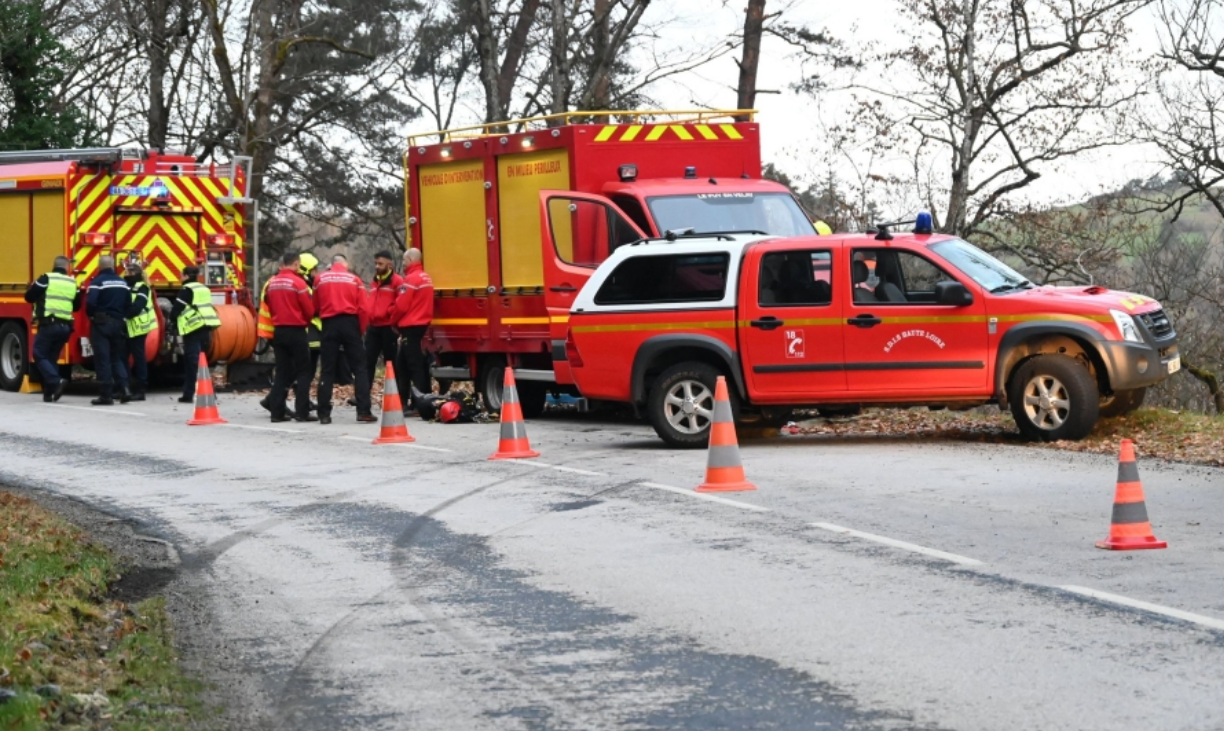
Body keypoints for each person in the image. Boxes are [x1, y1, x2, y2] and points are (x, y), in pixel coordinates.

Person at [313, 254, 375, 424]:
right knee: (359, 369)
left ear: (332, 264)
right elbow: (364, 309)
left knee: (327, 370)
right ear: (345, 264)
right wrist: (360, 329)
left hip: (329, 323)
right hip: (350, 323)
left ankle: (324, 413)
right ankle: (363, 411)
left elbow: (315, 306)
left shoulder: (320, 279)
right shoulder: (355, 280)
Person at [264, 252, 318, 423]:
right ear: (295, 264)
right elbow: (309, 310)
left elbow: (269, 305)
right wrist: (304, 322)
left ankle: (277, 413)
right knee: (303, 371)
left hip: (279, 331)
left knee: (282, 372)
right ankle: (302, 412)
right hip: (296, 330)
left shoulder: (272, 283)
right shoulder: (298, 283)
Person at [24, 255, 82, 402]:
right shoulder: (72, 282)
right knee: (51, 358)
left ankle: (56, 381)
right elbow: (77, 306)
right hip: (65, 327)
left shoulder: (46, 278)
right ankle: (49, 394)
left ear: (54, 265)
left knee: (39, 354)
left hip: (50, 325)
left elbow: (29, 297)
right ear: (67, 267)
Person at [85, 255, 132, 405]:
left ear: (99, 267)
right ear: (113, 266)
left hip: (101, 324)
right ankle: (125, 389)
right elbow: (128, 303)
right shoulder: (123, 283)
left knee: (103, 359)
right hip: (118, 324)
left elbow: (90, 303)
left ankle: (106, 396)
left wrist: (92, 315)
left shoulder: (97, 282)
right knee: (117, 358)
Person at [171, 265, 221, 403]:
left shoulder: (186, 289)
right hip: (205, 326)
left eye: (181, 275)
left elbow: (177, 309)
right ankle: (208, 392)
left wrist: (172, 321)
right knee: (201, 361)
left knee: (192, 362)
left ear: (187, 276)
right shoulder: (203, 288)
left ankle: (190, 394)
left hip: (193, 327)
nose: (180, 277)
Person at [393, 248, 434, 411]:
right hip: (421, 325)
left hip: (410, 327)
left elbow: (401, 305)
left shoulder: (410, 279)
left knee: (410, 366)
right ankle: (407, 402)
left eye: (404, 260)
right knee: (406, 364)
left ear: (410, 260)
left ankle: (418, 403)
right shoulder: (426, 277)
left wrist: (392, 321)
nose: (402, 264)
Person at [365, 250, 403, 387]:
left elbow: (401, 303)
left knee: (391, 362)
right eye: (376, 263)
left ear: (389, 264)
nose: (377, 266)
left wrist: (389, 313)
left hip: (388, 327)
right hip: (373, 326)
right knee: (367, 361)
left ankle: (395, 392)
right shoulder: (374, 281)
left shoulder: (397, 281)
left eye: (380, 264)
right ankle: (363, 394)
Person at [122, 256, 156, 401]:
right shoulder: (127, 286)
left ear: (134, 274)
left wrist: (124, 316)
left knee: (139, 358)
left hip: (138, 327)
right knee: (122, 358)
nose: (125, 275)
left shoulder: (143, 287)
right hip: (128, 326)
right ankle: (125, 388)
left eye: (127, 273)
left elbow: (138, 306)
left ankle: (141, 389)